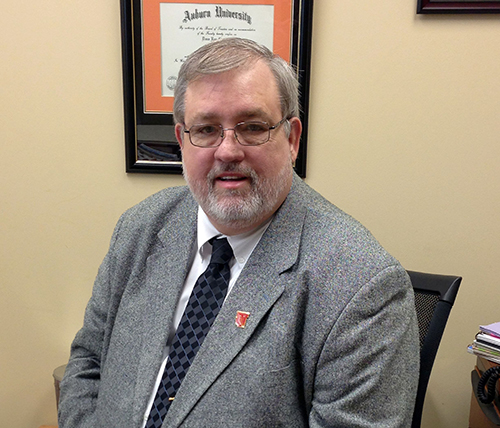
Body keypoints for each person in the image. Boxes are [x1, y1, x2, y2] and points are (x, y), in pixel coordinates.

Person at [58, 38, 419, 428]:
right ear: (182, 141)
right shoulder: (141, 227)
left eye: (251, 127)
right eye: (207, 129)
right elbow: (89, 362)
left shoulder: (361, 284)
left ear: (292, 138)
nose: (227, 151)